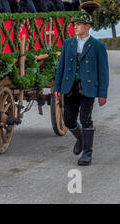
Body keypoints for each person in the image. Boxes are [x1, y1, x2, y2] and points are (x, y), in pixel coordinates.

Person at [54, 9, 109, 166]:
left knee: (86, 119)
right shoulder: (68, 43)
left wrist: (102, 93)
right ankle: (80, 138)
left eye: (78, 24)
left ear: (87, 26)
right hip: (70, 86)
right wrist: (57, 87)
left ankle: (87, 154)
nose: (75, 27)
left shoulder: (98, 46)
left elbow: (103, 72)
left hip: (88, 88)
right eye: (74, 25)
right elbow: (61, 67)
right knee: (68, 120)